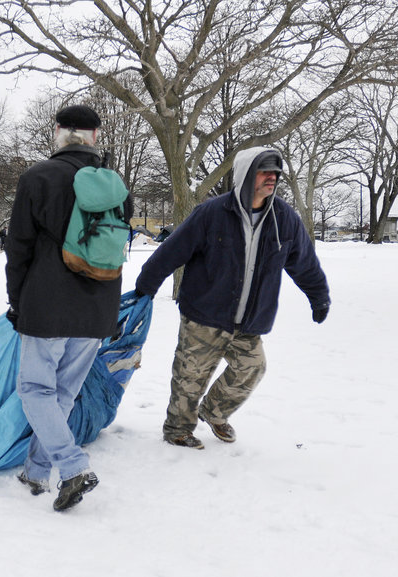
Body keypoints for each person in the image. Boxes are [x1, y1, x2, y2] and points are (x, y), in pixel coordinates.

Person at [134, 146, 330, 450]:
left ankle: (214, 412)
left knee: (252, 367)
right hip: (205, 313)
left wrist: (319, 297)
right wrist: (146, 287)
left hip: (250, 318)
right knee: (190, 376)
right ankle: (178, 429)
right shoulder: (211, 213)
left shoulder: (284, 218)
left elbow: (304, 262)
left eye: (275, 173)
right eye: (265, 171)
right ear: (246, 174)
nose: (272, 178)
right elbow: (171, 252)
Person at [5, 104, 131, 511]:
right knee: (62, 394)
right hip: (98, 306)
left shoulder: (37, 177)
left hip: (47, 304)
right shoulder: (116, 186)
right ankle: (37, 473)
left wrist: (16, 302)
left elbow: (18, 248)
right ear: (95, 136)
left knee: (35, 389)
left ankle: (73, 465)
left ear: (58, 132)